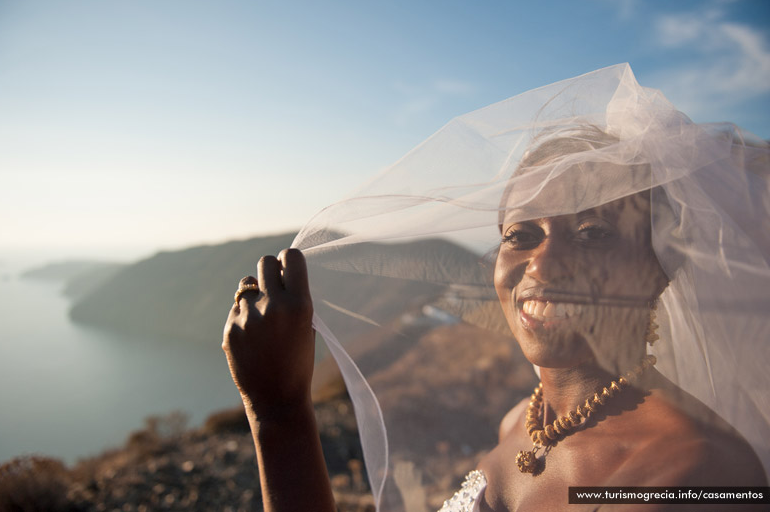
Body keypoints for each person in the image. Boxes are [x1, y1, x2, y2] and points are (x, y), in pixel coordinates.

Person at [222, 64, 770, 511]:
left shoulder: (698, 477)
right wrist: (275, 403)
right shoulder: (520, 420)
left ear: (659, 267)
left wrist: (281, 414)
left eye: (594, 234)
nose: (544, 265)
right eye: (521, 235)